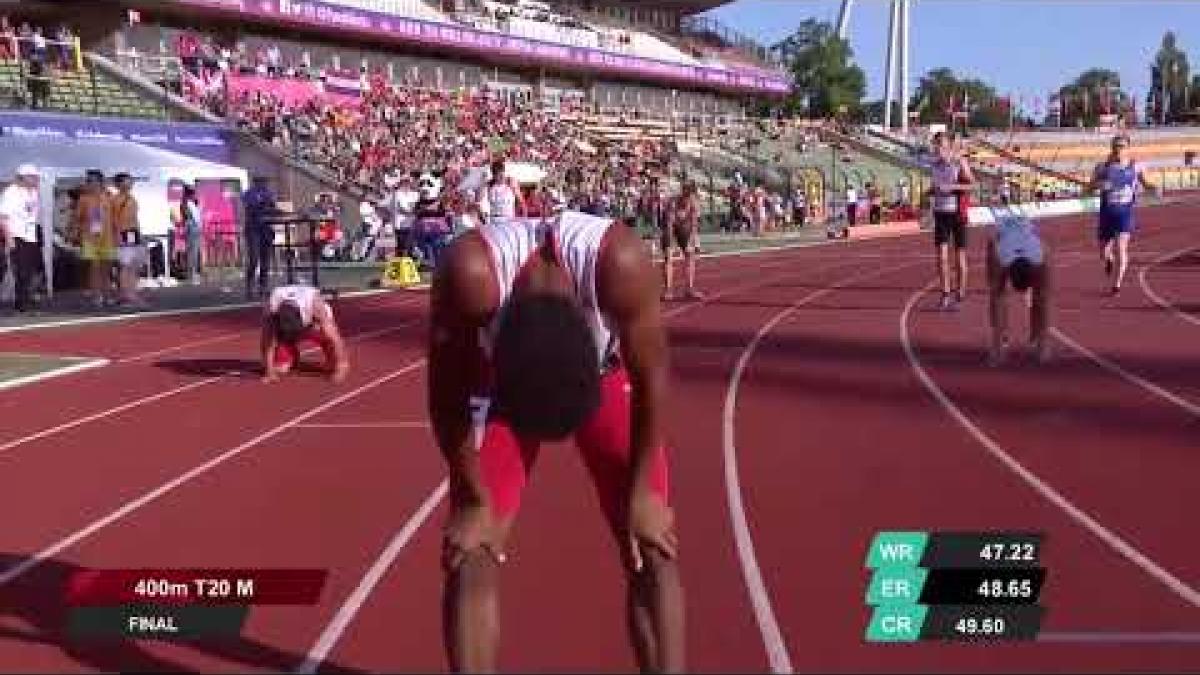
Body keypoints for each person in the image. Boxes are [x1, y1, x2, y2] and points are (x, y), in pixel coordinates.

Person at [429, 210, 684, 673]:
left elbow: (652, 378)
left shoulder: (621, 264)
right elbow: (446, 394)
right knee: (472, 551)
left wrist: (644, 490)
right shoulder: (470, 274)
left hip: (606, 380)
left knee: (654, 547)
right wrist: (470, 496)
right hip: (499, 387)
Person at [1088, 134, 1161, 295]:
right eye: (1115, 146)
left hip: (1124, 213)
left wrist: (1154, 187)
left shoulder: (1136, 166)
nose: (1118, 149)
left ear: (1128, 148)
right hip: (1106, 213)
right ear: (1111, 148)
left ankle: (1117, 285)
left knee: (1121, 248)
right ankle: (1108, 260)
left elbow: (1146, 183)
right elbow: (1088, 188)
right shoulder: (1102, 167)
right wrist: (1100, 184)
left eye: (1121, 146)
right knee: (1103, 252)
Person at [985, 199, 1053, 366]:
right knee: (996, 293)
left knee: (1041, 297)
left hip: (1026, 235)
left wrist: (1043, 341)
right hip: (1001, 237)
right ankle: (1001, 340)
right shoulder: (999, 255)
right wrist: (996, 347)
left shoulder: (1041, 254)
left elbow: (1043, 299)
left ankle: (1039, 340)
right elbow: (997, 296)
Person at [260, 284, 349, 383]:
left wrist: (342, 366)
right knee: (281, 367)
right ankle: (290, 355)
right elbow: (267, 342)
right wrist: (269, 372)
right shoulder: (271, 310)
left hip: (314, 325)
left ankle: (332, 357)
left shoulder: (315, 305)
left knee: (329, 350)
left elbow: (334, 337)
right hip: (287, 324)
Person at [929, 131, 976, 310]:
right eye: (935, 145)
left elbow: (973, 184)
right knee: (941, 257)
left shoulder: (959, 162)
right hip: (940, 212)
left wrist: (951, 187)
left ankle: (960, 294)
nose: (938, 148)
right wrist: (931, 192)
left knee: (959, 256)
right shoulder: (934, 165)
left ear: (948, 146)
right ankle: (945, 294)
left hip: (957, 213)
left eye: (941, 145)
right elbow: (935, 186)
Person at [0, 164, 42, 313]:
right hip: (17, 235)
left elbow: (32, 215)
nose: (36, 179)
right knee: (21, 271)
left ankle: (24, 301)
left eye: (36, 177)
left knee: (29, 270)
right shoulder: (11, 193)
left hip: (31, 236)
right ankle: (21, 305)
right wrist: (9, 238)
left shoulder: (34, 192)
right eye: (33, 176)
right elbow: (3, 217)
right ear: (23, 177)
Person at [74, 170, 117, 307]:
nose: (89, 184)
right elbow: (78, 218)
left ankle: (107, 294)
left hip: (108, 237)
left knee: (106, 268)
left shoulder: (109, 197)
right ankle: (97, 295)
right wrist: (77, 233)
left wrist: (118, 236)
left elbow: (115, 218)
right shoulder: (84, 199)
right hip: (90, 238)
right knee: (94, 267)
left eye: (92, 181)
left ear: (100, 182)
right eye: (88, 181)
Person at [111, 173, 147, 307]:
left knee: (134, 265)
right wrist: (117, 235)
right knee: (125, 266)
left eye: (130, 181)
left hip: (133, 233)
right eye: (127, 181)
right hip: (122, 233)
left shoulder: (132, 199)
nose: (130, 184)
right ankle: (125, 296)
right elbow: (113, 220)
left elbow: (135, 219)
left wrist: (140, 235)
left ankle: (132, 294)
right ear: (119, 184)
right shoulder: (114, 200)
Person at [662, 180, 702, 301]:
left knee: (690, 255)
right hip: (670, 227)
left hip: (685, 227)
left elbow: (694, 225)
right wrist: (671, 245)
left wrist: (692, 241)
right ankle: (668, 290)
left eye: (690, 194)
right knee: (668, 256)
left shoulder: (694, 204)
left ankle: (689, 289)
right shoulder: (673, 203)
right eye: (686, 193)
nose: (687, 197)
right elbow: (669, 225)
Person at [242, 175, 278, 299]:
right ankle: (250, 286)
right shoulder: (249, 193)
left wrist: (276, 210)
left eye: (266, 182)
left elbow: (273, 208)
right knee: (254, 258)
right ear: (256, 182)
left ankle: (263, 287)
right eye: (262, 182)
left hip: (266, 229)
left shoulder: (269, 193)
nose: (265, 184)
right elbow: (251, 207)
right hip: (253, 230)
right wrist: (264, 204)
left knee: (265, 261)